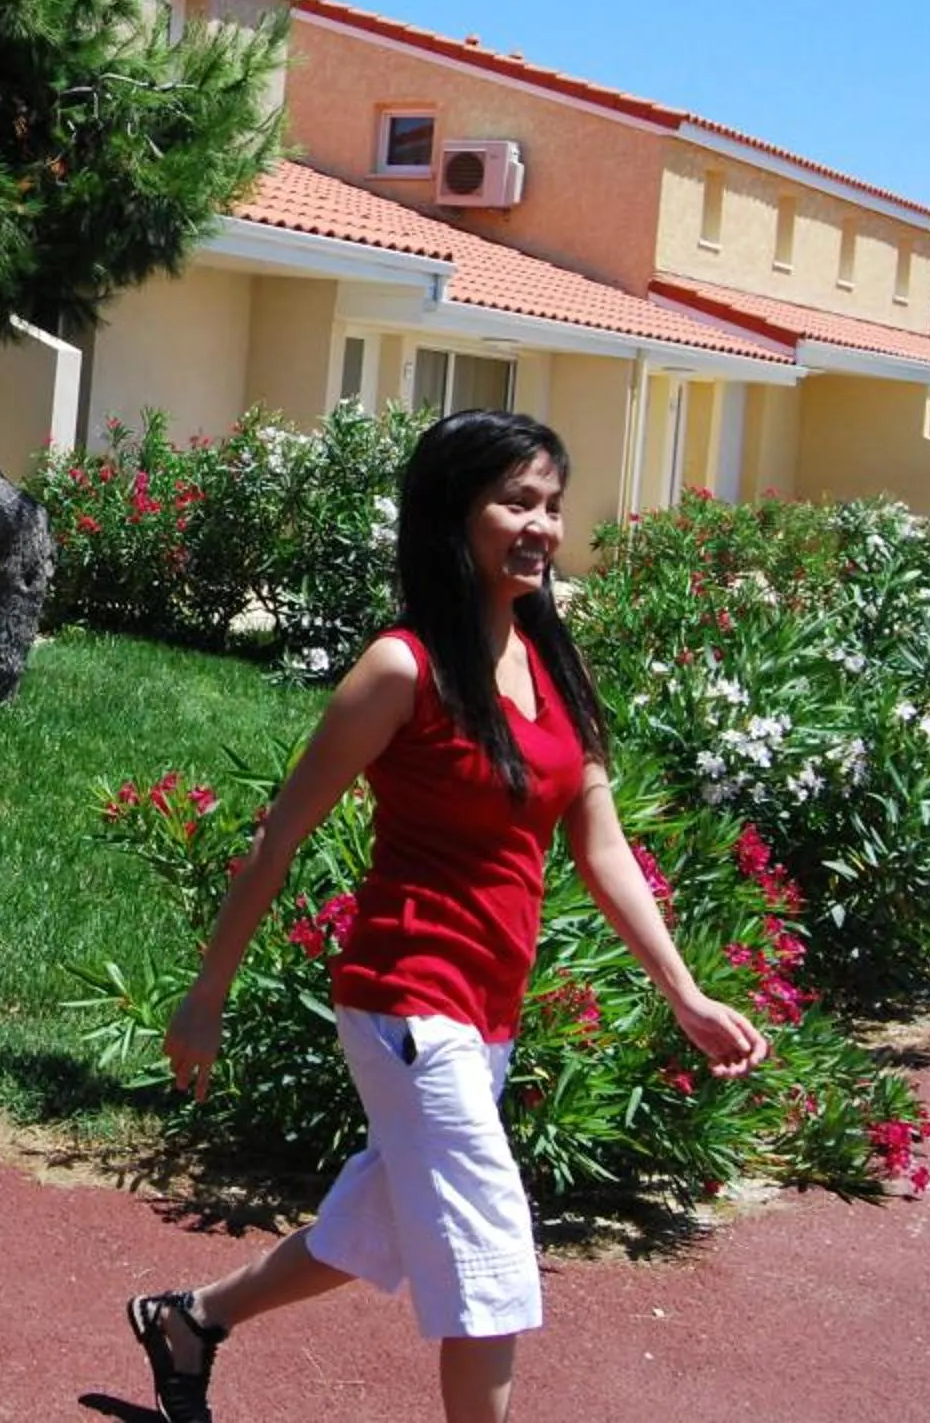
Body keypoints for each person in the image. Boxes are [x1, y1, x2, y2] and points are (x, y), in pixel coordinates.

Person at [125, 409, 768, 1423]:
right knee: (491, 1251)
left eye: (551, 504)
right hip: (405, 1000)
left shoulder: (557, 665)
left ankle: (189, 1318)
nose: (541, 525)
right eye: (515, 500)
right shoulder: (402, 670)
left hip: (487, 1010)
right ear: (451, 515)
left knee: (374, 1229)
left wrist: (683, 992)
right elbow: (277, 838)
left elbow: (600, 850)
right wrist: (205, 995)